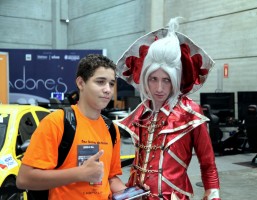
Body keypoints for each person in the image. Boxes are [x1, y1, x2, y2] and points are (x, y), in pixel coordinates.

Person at [114, 18, 221, 200]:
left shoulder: (190, 113)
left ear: (176, 80)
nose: (159, 88)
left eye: (166, 80)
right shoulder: (142, 112)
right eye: (153, 79)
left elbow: (208, 164)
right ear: (145, 78)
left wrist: (212, 193)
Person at [16, 54, 127, 199]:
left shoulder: (111, 128)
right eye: (100, 82)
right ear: (81, 83)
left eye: (111, 84)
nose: (108, 90)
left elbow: (111, 178)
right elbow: (24, 179)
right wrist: (80, 173)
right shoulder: (57, 122)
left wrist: (130, 194)